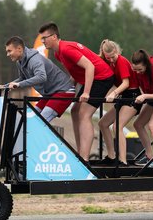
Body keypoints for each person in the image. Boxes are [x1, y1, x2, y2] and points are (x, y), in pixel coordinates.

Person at [38, 22, 114, 161]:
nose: (43, 41)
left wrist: (86, 92)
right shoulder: (57, 53)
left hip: (102, 77)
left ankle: (84, 158)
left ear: (54, 36)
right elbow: (75, 71)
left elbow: (89, 67)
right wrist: (67, 85)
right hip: (90, 78)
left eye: (45, 38)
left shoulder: (66, 49)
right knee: (74, 111)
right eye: (41, 38)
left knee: (84, 114)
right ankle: (80, 152)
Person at [0, 36, 76, 122]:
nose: (8, 54)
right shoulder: (20, 62)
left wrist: (19, 84)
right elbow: (22, 78)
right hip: (51, 93)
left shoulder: (34, 60)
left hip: (64, 90)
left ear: (19, 48)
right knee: (30, 120)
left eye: (9, 51)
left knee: (39, 123)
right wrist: (5, 86)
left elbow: (41, 77)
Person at [97, 40, 142, 166]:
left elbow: (126, 83)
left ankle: (122, 160)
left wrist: (113, 93)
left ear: (116, 51)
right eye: (108, 57)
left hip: (133, 97)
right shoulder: (108, 62)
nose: (111, 60)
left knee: (117, 126)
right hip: (123, 98)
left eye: (113, 56)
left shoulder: (121, 61)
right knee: (103, 123)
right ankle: (111, 156)